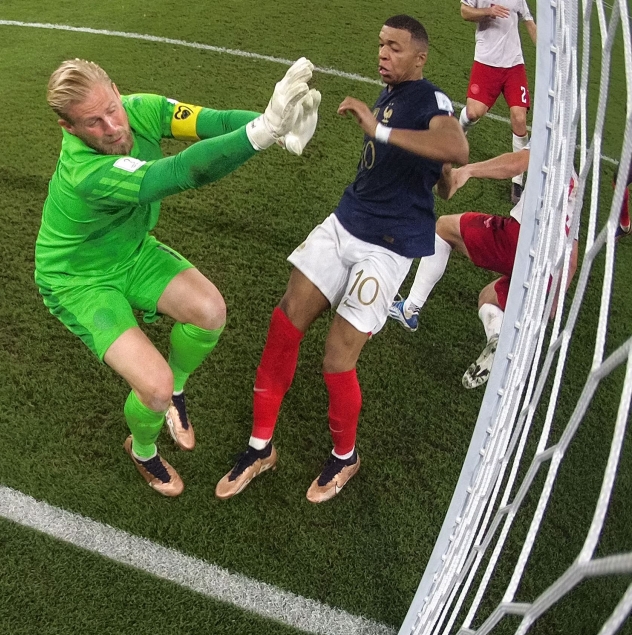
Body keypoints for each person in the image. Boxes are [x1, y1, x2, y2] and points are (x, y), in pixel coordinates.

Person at [35, 58, 321, 496]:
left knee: (209, 312)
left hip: (130, 251)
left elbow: (213, 122)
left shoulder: (141, 109)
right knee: (152, 387)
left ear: (116, 86)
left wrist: (274, 128)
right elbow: (183, 171)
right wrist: (261, 134)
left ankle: (177, 395)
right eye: (93, 122)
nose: (112, 126)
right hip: (78, 279)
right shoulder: (86, 174)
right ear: (68, 127)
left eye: (112, 107)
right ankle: (143, 449)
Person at [214, 15, 469, 503]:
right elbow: (434, 162)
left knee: (337, 358)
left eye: (394, 48)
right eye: (380, 45)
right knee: (286, 321)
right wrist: (437, 175)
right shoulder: (390, 93)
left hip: (388, 248)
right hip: (345, 222)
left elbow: (454, 144)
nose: (383, 54)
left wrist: (381, 131)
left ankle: (344, 455)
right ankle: (260, 446)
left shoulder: (430, 97)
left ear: (421, 57)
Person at [388, 148, 580, 388]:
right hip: (549, 270)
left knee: (444, 228)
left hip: (521, 241)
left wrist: (468, 170)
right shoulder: (575, 185)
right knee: (489, 298)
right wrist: (554, 300)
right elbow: (572, 257)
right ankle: (497, 340)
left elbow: (517, 163)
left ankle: (410, 309)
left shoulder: (552, 146)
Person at [459, 0, 537, 204]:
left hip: (514, 65)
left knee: (519, 118)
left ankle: (517, 180)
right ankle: (459, 132)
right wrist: (488, 11)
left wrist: (549, 55)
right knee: (473, 113)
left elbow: (529, 21)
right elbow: (465, 12)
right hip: (486, 62)